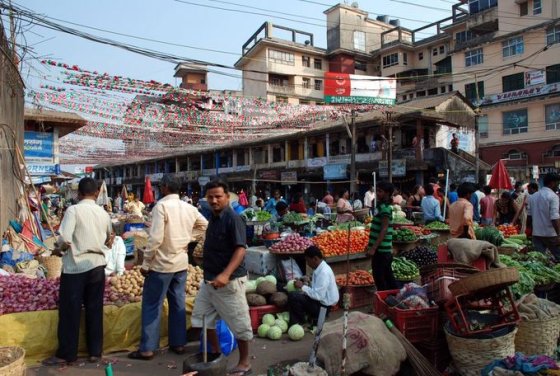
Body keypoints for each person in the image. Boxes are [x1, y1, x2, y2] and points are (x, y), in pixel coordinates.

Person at [128, 175, 208, 360]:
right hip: (180, 263)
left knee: (152, 305)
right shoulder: (188, 207)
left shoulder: (161, 206)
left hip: (161, 265)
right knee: (177, 303)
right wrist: (188, 237)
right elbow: (205, 226)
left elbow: (155, 239)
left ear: (164, 187)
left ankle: (148, 348)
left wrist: (146, 263)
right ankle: (178, 343)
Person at [42, 177, 113, 366]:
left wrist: (58, 251)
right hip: (97, 265)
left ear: (79, 193)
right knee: (94, 309)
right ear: (96, 193)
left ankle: (67, 353)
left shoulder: (73, 210)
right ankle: (95, 352)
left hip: (76, 267)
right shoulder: (103, 213)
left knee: (70, 311)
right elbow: (109, 238)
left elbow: (64, 239)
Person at [191, 180, 253, 376]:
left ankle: (244, 362)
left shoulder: (233, 218)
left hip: (230, 281)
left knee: (239, 323)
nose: (214, 200)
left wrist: (225, 274)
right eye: (210, 197)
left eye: (218, 196)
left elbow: (240, 249)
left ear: (227, 197)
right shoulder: (213, 218)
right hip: (209, 281)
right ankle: (216, 353)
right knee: (202, 318)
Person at [288, 246, 339, 326]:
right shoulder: (321, 268)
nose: (307, 264)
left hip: (323, 307)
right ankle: (307, 318)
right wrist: (306, 282)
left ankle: (299, 323)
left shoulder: (323, 272)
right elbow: (317, 288)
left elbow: (318, 295)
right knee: (299, 294)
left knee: (293, 296)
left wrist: (302, 286)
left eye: (308, 261)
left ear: (315, 259)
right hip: (321, 303)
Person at [366, 181, 397, 291]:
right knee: (387, 276)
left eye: (380, 191)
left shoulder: (385, 208)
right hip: (382, 250)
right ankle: (393, 298)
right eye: (377, 191)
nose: (377, 193)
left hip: (381, 250)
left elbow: (384, 229)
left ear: (387, 193)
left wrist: (373, 248)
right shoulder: (382, 206)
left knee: (380, 278)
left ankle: (385, 300)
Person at [528, 173, 560, 261]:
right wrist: (559, 235)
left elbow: (529, 216)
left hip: (537, 234)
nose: (558, 185)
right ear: (552, 183)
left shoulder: (533, 197)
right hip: (551, 234)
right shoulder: (553, 197)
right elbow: (554, 217)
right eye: (557, 183)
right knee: (558, 256)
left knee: (540, 260)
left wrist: (529, 231)